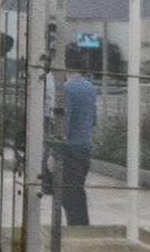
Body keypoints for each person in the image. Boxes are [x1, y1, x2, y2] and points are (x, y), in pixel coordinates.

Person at [60, 69, 96, 226]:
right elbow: (94, 118)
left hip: (70, 147)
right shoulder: (90, 87)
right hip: (85, 145)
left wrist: (54, 151)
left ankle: (76, 229)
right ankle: (82, 229)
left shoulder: (67, 88)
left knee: (69, 194)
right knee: (78, 191)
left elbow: (64, 123)